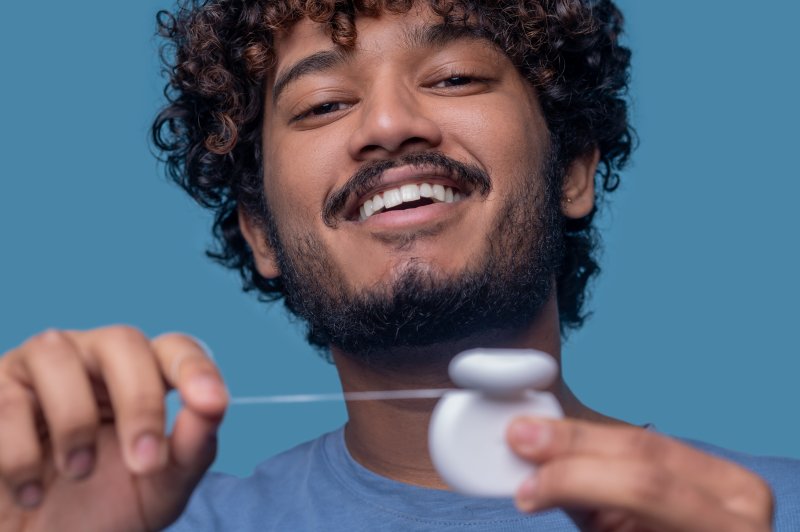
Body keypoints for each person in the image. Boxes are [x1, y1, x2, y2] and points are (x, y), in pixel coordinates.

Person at [0, 0, 797, 530]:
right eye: (321, 106)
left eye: (453, 77)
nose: (387, 124)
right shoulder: (123, 519)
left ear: (572, 170)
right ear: (261, 234)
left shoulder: (762, 511)